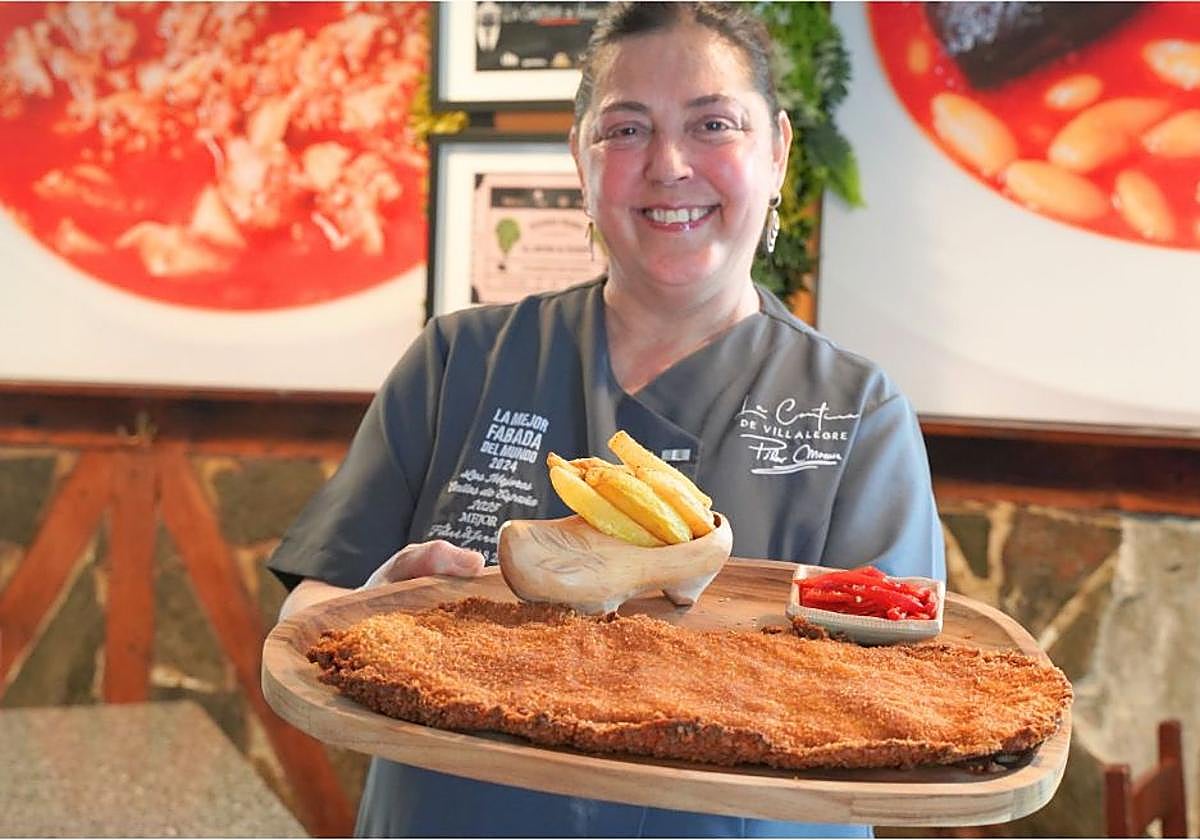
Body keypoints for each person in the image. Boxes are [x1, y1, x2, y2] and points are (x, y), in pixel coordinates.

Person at [269, 3, 946, 837]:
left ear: (776, 152)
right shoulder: (458, 362)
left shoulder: (856, 413)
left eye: (712, 124)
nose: (669, 165)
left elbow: (908, 693)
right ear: (581, 162)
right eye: (626, 130)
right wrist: (366, 614)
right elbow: (310, 611)